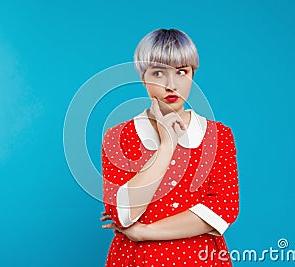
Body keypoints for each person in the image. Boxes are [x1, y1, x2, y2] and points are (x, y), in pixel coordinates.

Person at [100, 28, 239, 267]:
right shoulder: (118, 137)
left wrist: (144, 232)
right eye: (158, 73)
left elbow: (222, 210)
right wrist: (166, 147)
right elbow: (123, 214)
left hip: (200, 259)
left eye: (181, 72)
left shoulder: (219, 136)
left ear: (193, 75)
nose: (171, 85)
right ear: (143, 78)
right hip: (136, 260)